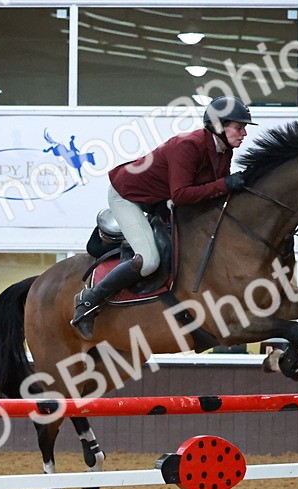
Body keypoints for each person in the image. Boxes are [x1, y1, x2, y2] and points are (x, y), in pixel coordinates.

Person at [70, 96, 254, 340]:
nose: (244, 134)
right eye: (239, 128)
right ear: (219, 126)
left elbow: (211, 195)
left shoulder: (223, 151)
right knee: (148, 261)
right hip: (128, 196)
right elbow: (181, 195)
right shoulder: (189, 145)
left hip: (159, 200)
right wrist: (225, 184)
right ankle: (88, 301)